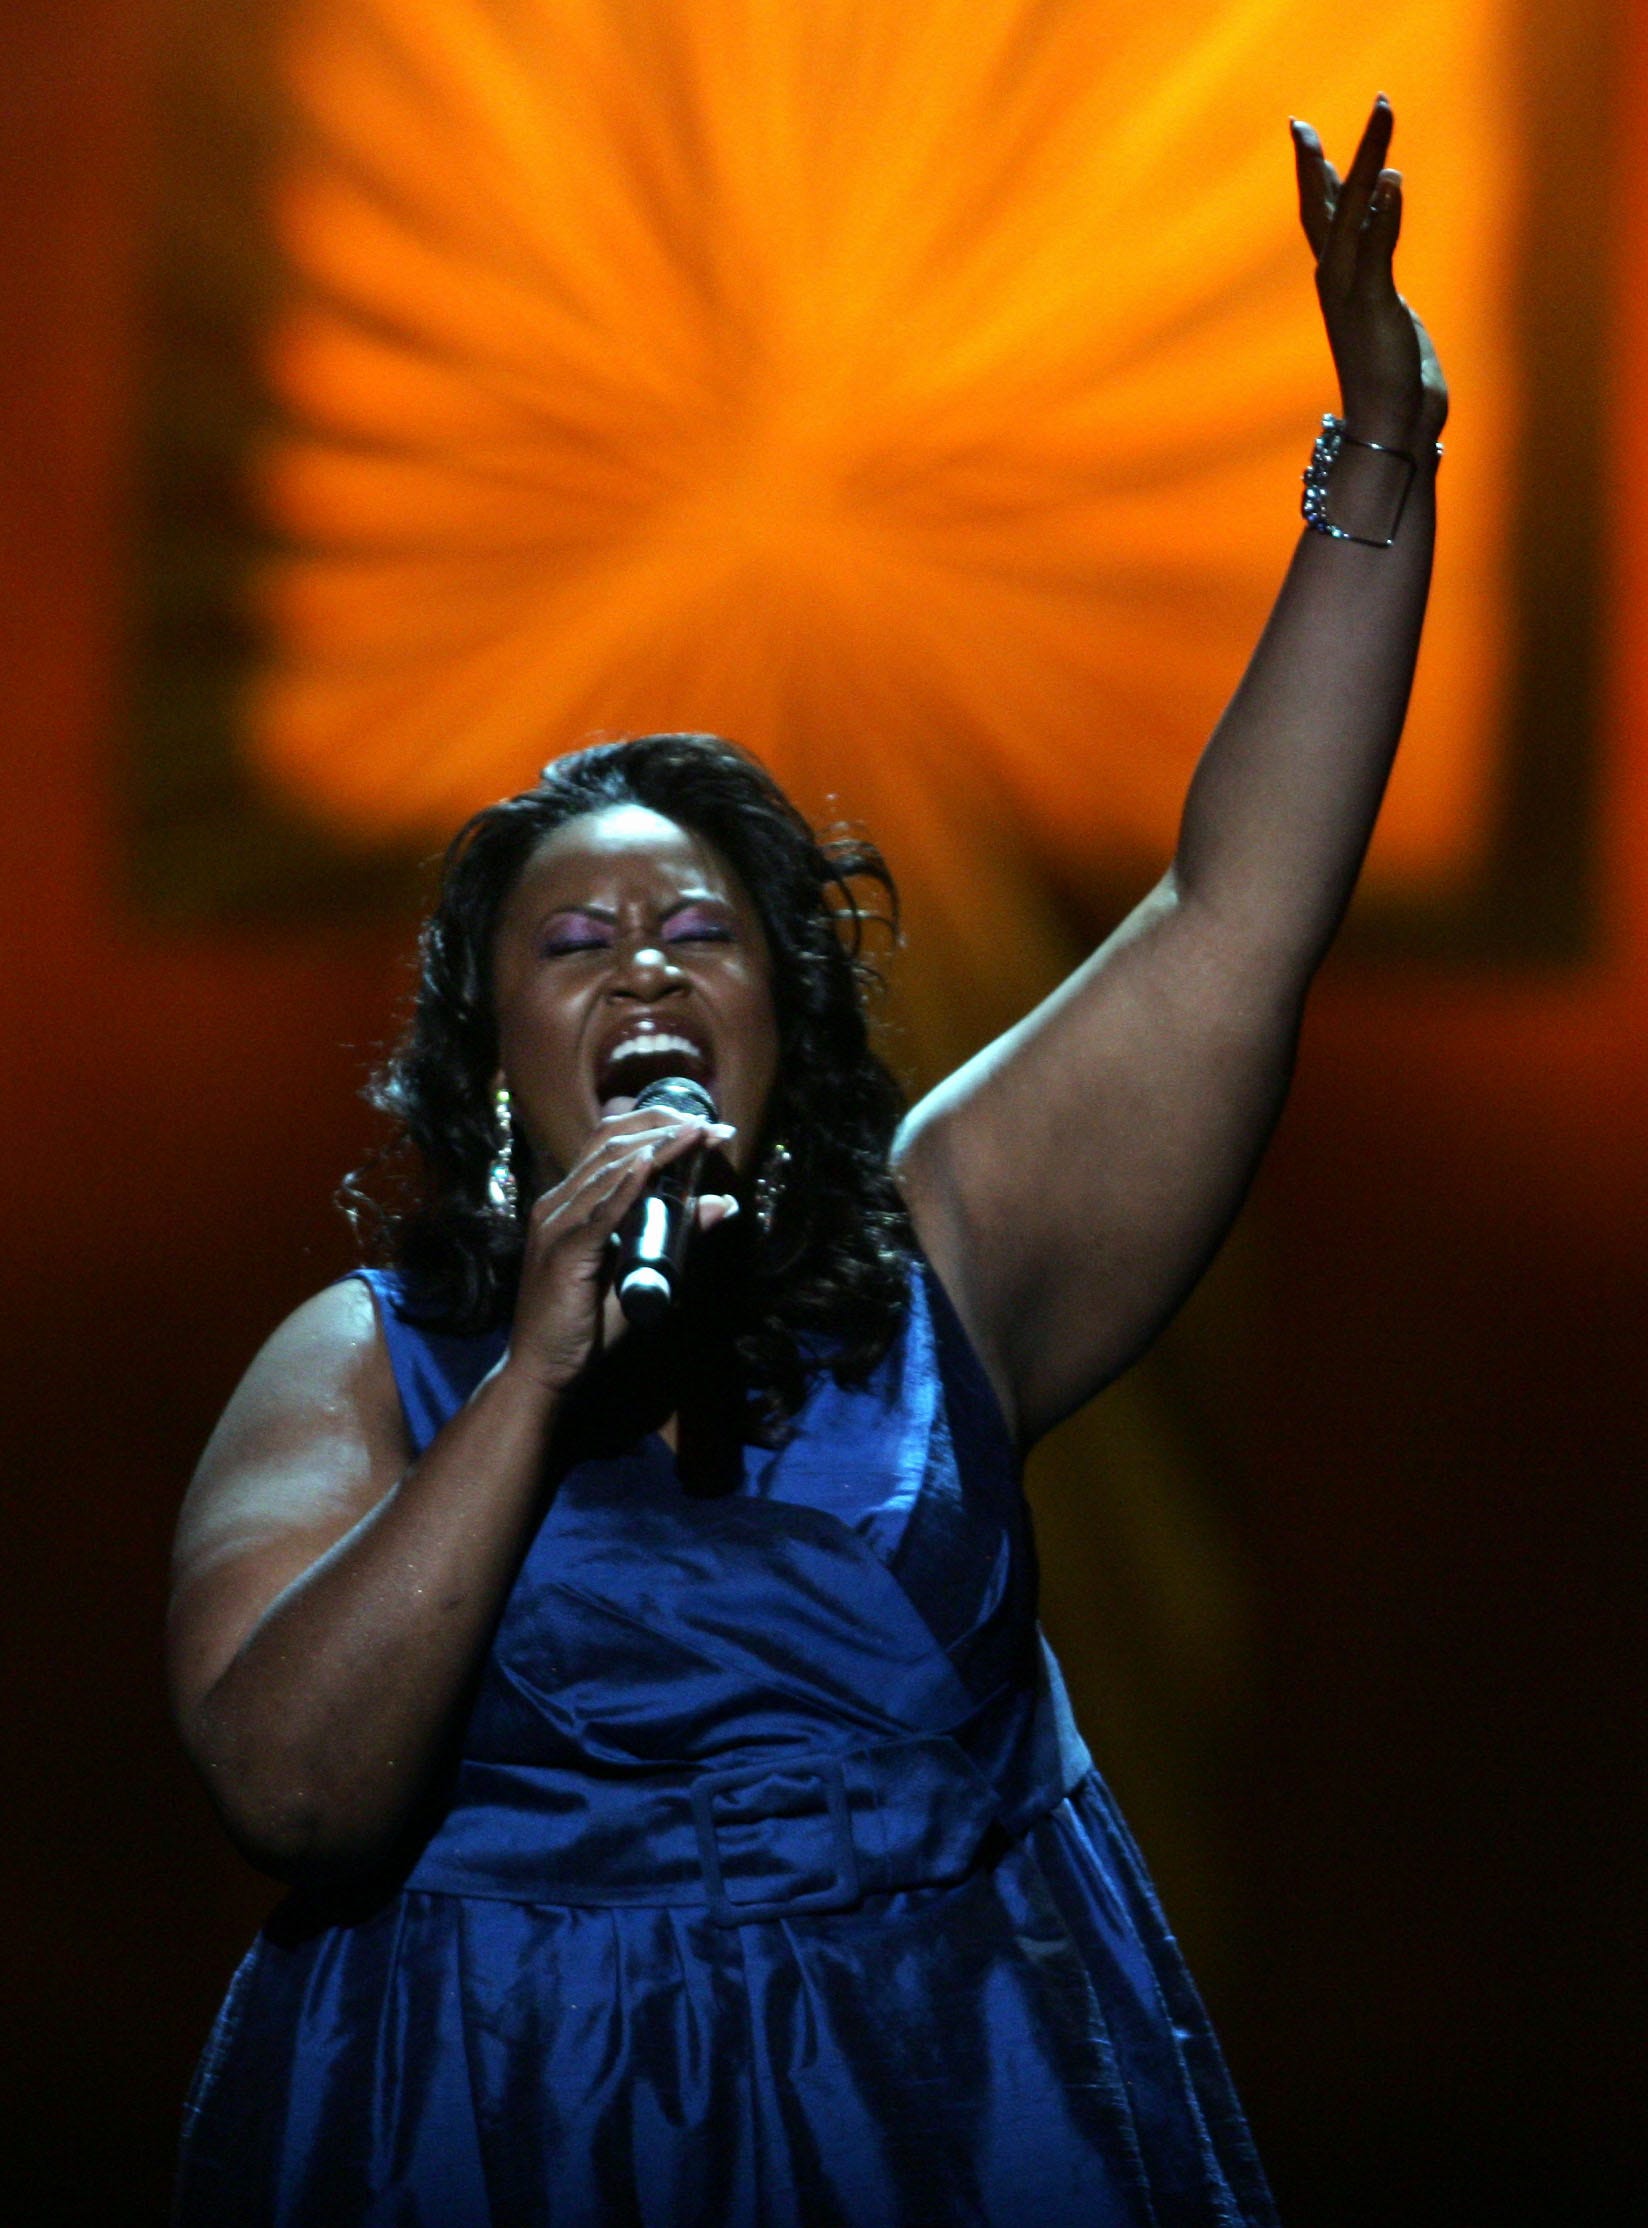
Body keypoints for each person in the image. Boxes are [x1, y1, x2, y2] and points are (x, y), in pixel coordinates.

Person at [169, 99, 1446, 2226]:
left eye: (700, 933)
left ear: (784, 1021)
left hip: (945, 2119)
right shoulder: (361, 1367)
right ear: (496, 1059)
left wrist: (1377, 456)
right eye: (574, 941)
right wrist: (537, 1387)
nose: (645, 965)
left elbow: (1236, 910)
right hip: (500, 2138)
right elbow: (294, 1784)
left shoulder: (951, 1256)